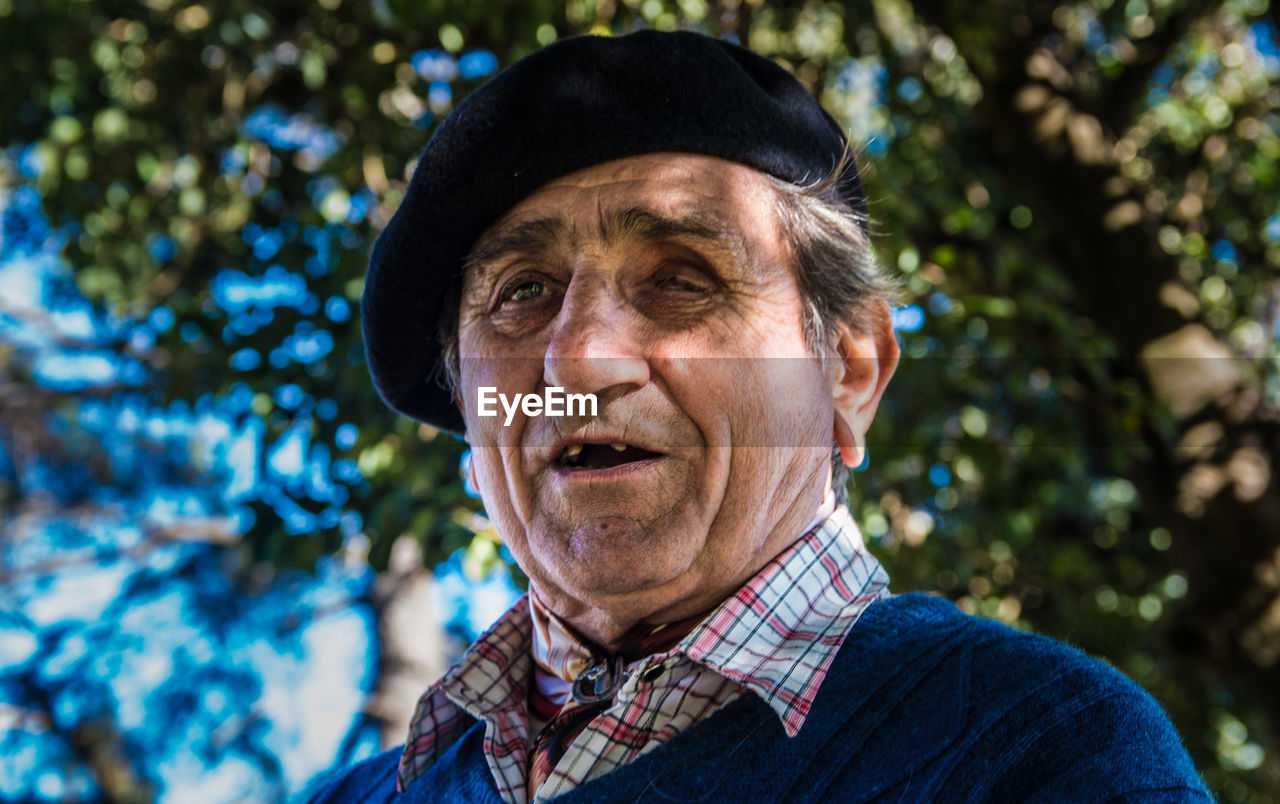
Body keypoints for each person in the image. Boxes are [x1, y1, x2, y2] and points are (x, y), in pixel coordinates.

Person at [307, 29, 1209, 803]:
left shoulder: (1047, 749)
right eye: (523, 291)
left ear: (851, 371)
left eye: (681, 279)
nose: (579, 356)